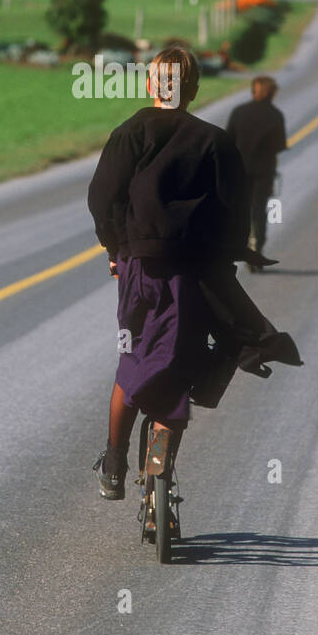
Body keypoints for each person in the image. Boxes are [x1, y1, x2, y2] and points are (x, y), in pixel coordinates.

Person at [87, 45, 288, 501]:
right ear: (194, 90)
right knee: (178, 362)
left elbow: (102, 199)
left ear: (149, 85)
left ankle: (114, 460)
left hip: (141, 268)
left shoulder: (129, 134)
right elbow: (234, 215)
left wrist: (117, 249)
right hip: (196, 273)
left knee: (135, 357)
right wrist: (224, 261)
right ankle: (159, 471)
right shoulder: (215, 142)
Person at [225, 75, 287, 271]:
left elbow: (228, 140)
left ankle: (238, 246)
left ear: (254, 90)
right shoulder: (276, 115)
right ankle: (256, 248)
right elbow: (279, 145)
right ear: (273, 93)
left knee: (239, 211)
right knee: (259, 211)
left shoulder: (239, 112)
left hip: (238, 171)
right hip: (263, 171)